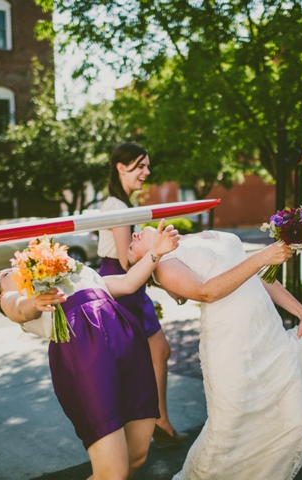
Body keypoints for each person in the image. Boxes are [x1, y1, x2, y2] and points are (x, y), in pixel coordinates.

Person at [127, 228, 302, 479]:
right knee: (228, 431)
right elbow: (205, 291)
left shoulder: (197, 235)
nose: (133, 236)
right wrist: (262, 256)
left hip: (267, 332)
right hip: (230, 343)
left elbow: (256, 275)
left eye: (135, 236)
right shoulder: (164, 265)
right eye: (133, 250)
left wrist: (301, 311)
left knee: (291, 423)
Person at [0, 220, 180, 480]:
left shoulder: (83, 275)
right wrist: (35, 301)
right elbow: (20, 308)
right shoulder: (17, 300)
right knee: (112, 473)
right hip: (86, 360)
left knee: (136, 457)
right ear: (1, 294)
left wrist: (156, 252)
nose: (13, 269)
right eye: (5, 275)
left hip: (128, 348)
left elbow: (128, 283)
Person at [98, 142, 188, 445]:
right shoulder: (117, 207)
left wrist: (169, 283)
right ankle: (153, 423)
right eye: (140, 166)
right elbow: (126, 260)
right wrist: (163, 257)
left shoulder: (120, 205)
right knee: (151, 354)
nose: (146, 172)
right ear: (121, 168)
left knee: (155, 353)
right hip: (121, 286)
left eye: (147, 165)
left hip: (128, 284)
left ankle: (156, 421)